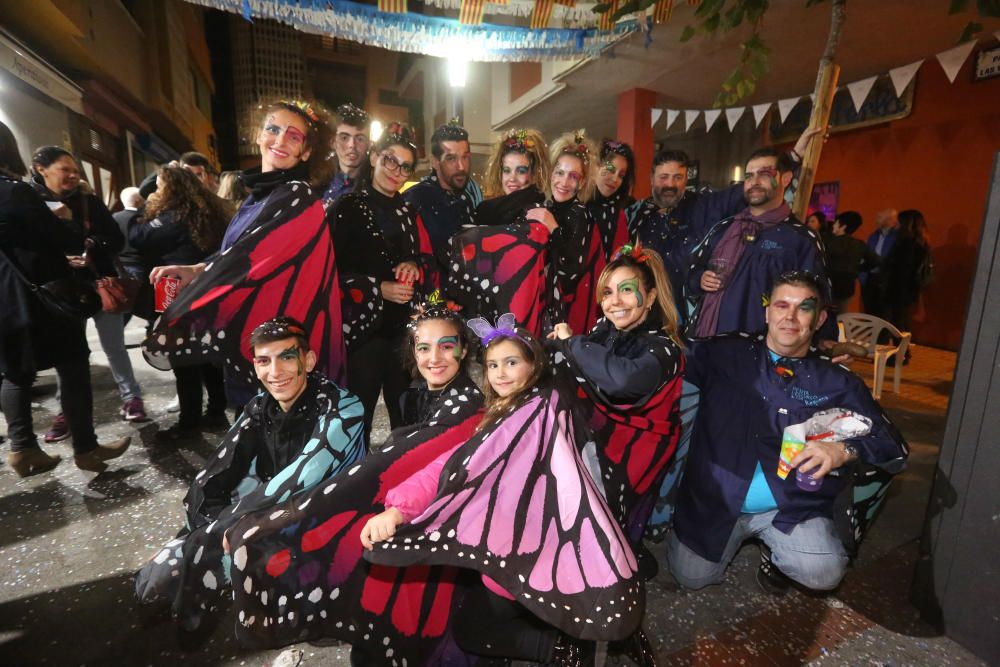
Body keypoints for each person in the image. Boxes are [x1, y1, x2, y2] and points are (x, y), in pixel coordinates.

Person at [361, 319, 641, 665]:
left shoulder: (522, 416)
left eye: (511, 363)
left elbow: (455, 465)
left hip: (523, 549)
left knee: (473, 631)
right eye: (493, 365)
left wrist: (399, 508)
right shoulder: (537, 404)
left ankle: (565, 651)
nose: (500, 373)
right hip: (548, 546)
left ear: (534, 365)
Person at [222, 300, 486, 663]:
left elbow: (409, 466)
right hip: (413, 516)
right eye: (424, 347)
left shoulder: (464, 402)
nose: (434, 357)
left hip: (432, 526)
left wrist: (286, 515)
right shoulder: (423, 393)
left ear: (464, 348)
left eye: (447, 345)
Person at [667, 271, 908, 594]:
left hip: (790, 508)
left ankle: (774, 556)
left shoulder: (836, 380)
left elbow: (894, 447)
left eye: (804, 308)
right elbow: (666, 352)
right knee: (691, 577)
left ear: (820, 317)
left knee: (822, 572)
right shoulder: (724, 353)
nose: (790, 317)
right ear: (767, 312)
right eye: (781, 305)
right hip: (716, 501)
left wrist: (843, 450)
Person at [135, 316, 365, 636]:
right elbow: (214, 474)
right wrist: (202, 527)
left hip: (322, 521)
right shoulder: (260, 407)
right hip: (261, 513)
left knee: (214, 565)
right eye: (264, 360)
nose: (275, 372)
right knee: (160, 578)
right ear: (255, 366)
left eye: (287, 356)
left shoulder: (345, 409)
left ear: (308, 360)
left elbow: (302, 478)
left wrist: (226, 529)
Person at [143, 99, 346, 412]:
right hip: (257, 344)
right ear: (259, 136)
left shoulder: (297, 195)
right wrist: (197, 269)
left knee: (277, 447)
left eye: (293, 136)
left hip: (282, 354)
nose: (280, 139)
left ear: (306, 151)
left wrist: (186, 304)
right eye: (273, 129)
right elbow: (237, 253)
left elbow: (248, 262)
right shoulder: (259, 197)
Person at [0, 124, 131, 475]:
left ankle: (22, 449)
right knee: (73, 365)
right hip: (42, 300)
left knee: (14, 374)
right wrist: (67, 222)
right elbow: (65, 239)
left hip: (5, 301)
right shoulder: (16, 193)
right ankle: (86, 448)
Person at [548, 244, 684, 549]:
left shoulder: (664, 347)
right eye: (607, 293)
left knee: (603, 521)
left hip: (637, 447)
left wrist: (573, 344)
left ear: (649, 297)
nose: (614, 302)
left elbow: (622, 380)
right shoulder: (605, 327)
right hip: (601, 434)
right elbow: (585, 364)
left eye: (626, 290)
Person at [629, 127, 821, 320]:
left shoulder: (704, 206)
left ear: (686, 179)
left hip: (689, 318)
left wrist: (793, 156)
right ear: (651, 179)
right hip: (643, 312)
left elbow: (749, 188)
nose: (670, 184)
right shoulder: (635, 215)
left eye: (677, 177)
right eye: (664, 177)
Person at [30, 146, 148, 429]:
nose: (72, 176)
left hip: (100, 283)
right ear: (40, 169)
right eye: (64, 170)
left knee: (114, 347)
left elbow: (115, 240)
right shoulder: (30, 201)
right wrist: (58, 258)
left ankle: (132, 398)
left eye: (75, 171)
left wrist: (92, 247)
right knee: (67, 354)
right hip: (61, 290)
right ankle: (66, 410)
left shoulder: (88, 202)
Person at [330, 122, 435, 438]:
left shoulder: (406, 210)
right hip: (363, 334)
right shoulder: (346, 207)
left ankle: (399, 477)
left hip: (401, 331)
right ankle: (355, 480)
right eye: (390, 160)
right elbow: (327, 273)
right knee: (355, 416)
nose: (397, 171)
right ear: (374, 156)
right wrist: (377, 288)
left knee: (405, 414)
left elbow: (419, 257)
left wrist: (412, 265)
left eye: (405, 167)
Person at [685, 146, 832, 340]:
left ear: (785, 179)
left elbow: (816, 300)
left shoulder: (801, 239)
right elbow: (692, 273)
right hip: (708, 344)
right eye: (749, 176)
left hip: (764, 354)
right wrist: (700, 279)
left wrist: (826, 342)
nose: (754, 182)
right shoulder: (723, 229)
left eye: (764, 174)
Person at [130, 165, 231, 440]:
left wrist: (139, 206)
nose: (156, 191)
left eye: (160, 186)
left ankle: (189, 420)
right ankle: (217, 410)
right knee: (208, 354)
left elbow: (138, 237)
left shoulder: (170, 217)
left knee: (181, 357)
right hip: (207, 285)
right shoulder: (210, 212)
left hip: (171, 286)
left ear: (170, 189)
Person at [447, 128, 553, 332]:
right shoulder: (485, 210)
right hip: (480, 308)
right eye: (507, 170)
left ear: (532, 174)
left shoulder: (536, 211)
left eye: (521, 170)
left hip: (519, 312)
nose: (512, 178)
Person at [403, 120, 484, 267]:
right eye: (451, 158)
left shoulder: (466, 198)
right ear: (434, 161)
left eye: (465, 157)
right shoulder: (415, 199)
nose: (461, 167)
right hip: (432, 289)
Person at [884, 209, 932, 333]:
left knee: (897, 323)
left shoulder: (906, 244)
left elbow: (901, 270)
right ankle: (903, 350)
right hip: (910, 290)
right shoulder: (921, 243)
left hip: (899, 289)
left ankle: (901, 350)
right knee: (903, 322)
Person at [824, 211, 880, 314]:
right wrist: (858, 268)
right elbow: (876, 261)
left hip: (828, 285)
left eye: (836, 223)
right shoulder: (859, 244)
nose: (833, 225)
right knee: (841, 317)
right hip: (847, 287)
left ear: (843, 226)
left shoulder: (829, 242)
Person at [588, 139, 635, 261]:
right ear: (594, 167)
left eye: (621, 175)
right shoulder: (575, 204)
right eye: (610, 169)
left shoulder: (623, 212)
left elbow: (625, 251)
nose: (615, 179)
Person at [322, 102, 371, 209]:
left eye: (360, 139)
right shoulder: (318, 182)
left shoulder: (376, 187)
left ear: (369, 144)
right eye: (344, 138)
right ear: (332, 142)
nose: (352, 145)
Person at [860, 208, 898, 319]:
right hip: (870, 277)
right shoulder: (874, 236)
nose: (876, 220)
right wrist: (862, 278)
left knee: (884, 313)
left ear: (890, 220)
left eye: (880, 217)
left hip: (886, 279)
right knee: (870, 312)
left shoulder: (896, 237)